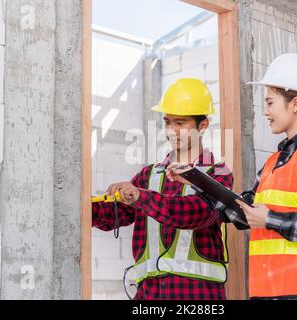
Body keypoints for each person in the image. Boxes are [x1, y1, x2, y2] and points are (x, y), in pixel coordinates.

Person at [172, 54, 297, 300]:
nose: (265, 111)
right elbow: (243, 214)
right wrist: (197, 182)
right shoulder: (276, 160)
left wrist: (271, 219)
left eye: (270, 103)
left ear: (294, 103)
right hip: (268, 289)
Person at [92, 78, 233, 300]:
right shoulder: (148, 176)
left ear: (202, 125)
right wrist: (84, 205)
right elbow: (116, 215)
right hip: (150, 295)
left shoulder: (218, 174)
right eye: (167, 122)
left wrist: (140, 196)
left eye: (180, 123)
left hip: (196, 295)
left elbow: (196, 212)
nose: (171, 131)